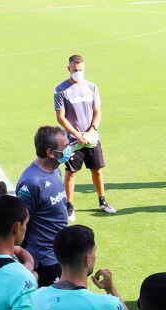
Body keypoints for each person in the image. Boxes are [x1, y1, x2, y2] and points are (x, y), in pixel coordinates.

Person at [54, 55, 115, 219]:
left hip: (91, 138)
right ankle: (70, 206)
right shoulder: (61, 90)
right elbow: (61, 117)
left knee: (96, 169)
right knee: (71, 172)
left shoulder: (92, 87)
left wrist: (91, 130)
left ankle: (102, 201)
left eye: (80, 70)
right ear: (68, 69)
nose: (78, 73)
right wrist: (77, 135)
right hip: (73, 141)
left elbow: (97, 111)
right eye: (75, 70)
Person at [16, 127, 70, 291]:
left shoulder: (56, 170)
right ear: (50, 152)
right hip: (44, 259)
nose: (69, 150)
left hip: (59, 251)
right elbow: (21, 222)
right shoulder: (31, 182)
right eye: (65, 147)